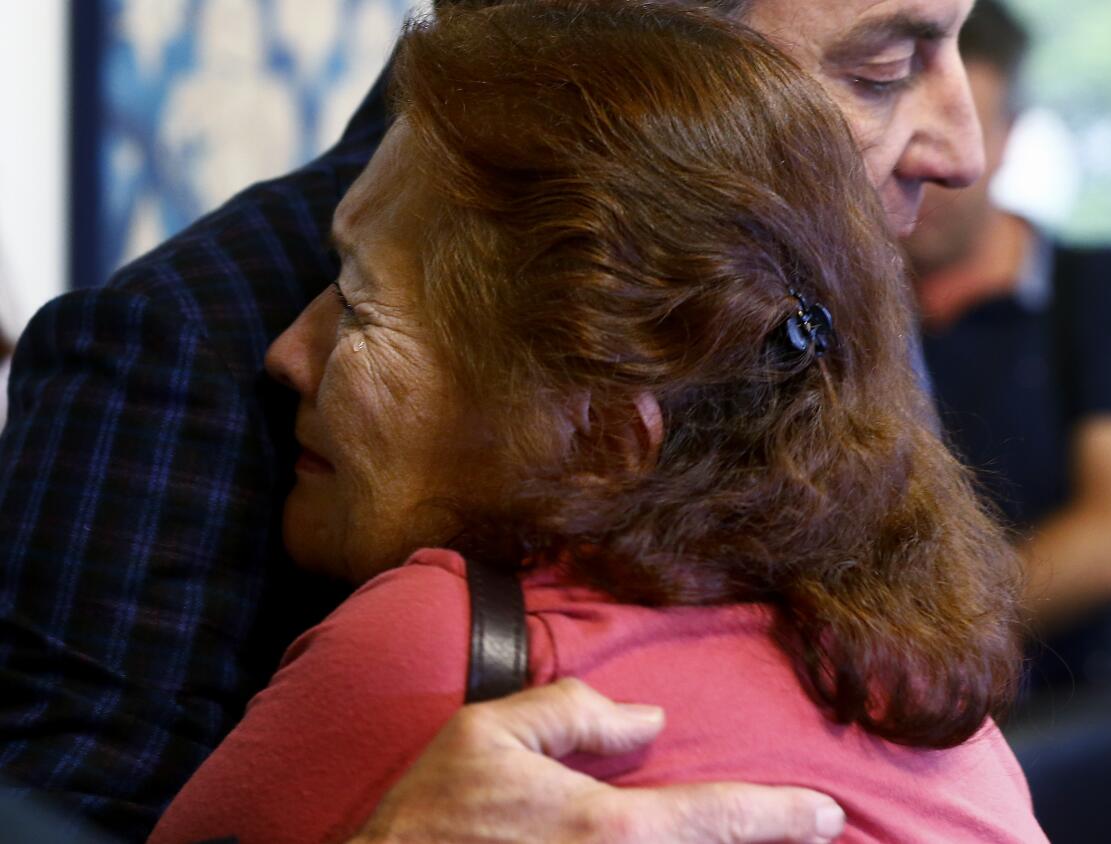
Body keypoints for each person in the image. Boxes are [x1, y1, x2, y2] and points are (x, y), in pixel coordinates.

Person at [0, 0, 985, 839]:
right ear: (623, 56)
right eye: (879, 70)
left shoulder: (839, 329)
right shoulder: (170, 347)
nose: (965, 149)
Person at [903, 0, 1111, 700]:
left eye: (966, 122)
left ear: (1007, 136)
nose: (934, 161)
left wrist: (920, 635)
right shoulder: (837, 312)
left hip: (1073, 715)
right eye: (901, 120)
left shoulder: (1100, 288)